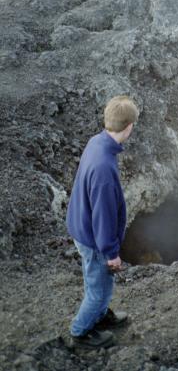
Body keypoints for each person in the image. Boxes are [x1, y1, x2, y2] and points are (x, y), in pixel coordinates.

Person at [66, 95, 139, 348]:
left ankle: (99, 314)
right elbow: (103, 216)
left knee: (98, 281)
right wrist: (111, 252)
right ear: (129, 126)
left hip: (82, 226)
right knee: (99, 290)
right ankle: (80, 332)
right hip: (94, 238)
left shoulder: (97, 142)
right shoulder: (104, 168)